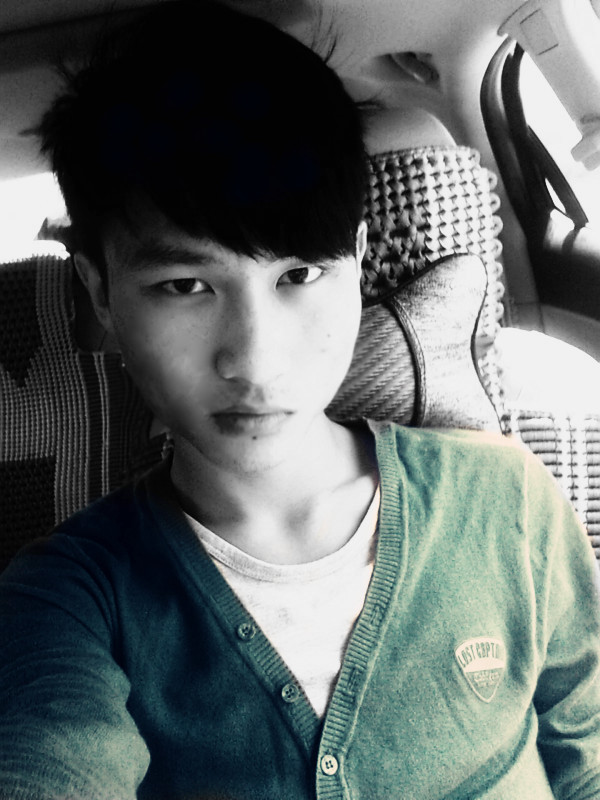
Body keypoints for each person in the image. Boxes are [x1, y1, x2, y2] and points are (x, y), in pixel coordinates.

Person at [1, 2, 600, 798]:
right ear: (101, 295)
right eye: (184, 285)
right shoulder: (69, 597)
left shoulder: (508, 501)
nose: (255, 360)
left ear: (357, 261)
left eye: (300, 275)